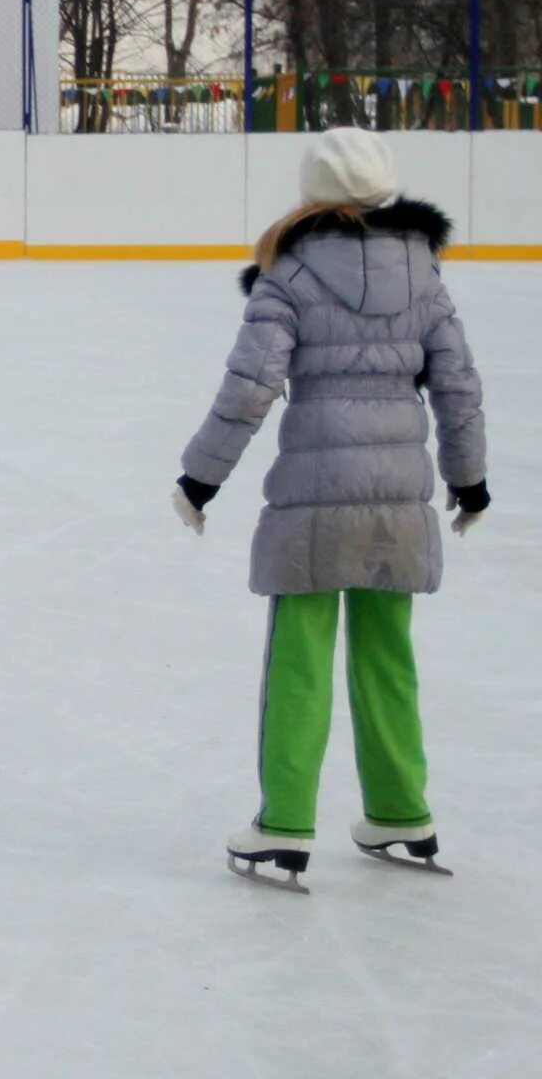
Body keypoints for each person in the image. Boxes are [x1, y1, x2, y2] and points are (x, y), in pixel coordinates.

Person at [176, 127, 487, 891]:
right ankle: (401, 809)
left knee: (300, 658)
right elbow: (458, 387)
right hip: (399, 500)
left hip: (314, 501)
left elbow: (250, 389)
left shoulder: (289, 272)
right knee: (389, 655)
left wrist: (199, 479)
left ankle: (284, 823)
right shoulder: (427, 276)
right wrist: (469, 480)